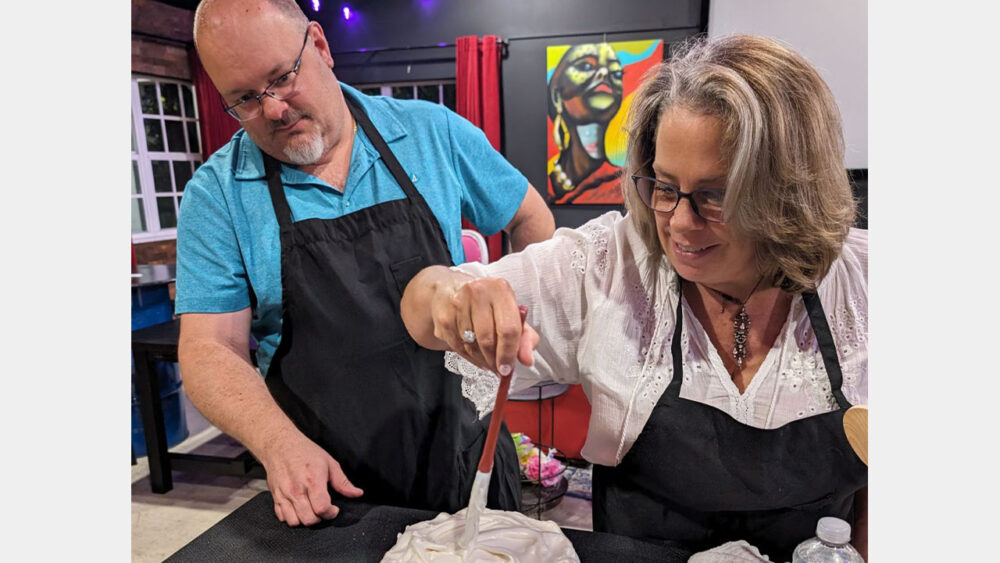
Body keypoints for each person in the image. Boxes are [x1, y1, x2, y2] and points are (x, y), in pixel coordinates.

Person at [401, 34, 867, 561]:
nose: (681, 225)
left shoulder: (863, 283)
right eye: (665, 187)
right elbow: (421, 305)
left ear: (787, 192)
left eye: (715, 196)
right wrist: (453, 294)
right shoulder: (610, 265)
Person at [175, 0, 555, 528]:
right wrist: (277, 442)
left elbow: (531, 216)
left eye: (282, 78)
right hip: (330, 489)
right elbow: (208, 347)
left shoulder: (431, 133)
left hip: (468, 459)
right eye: (245, 99)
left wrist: (509, 316)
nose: (276, 109)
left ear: (321, 46)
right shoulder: (216, 196)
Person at [547, 42, 625, 204]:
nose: (604, 73)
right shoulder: (542, 189)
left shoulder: (623, 184)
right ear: (556, 94)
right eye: (586, 66)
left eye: (616, 73)